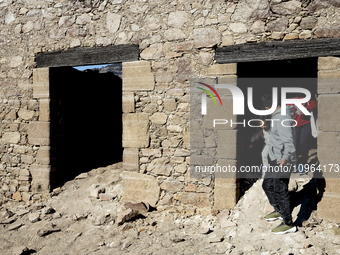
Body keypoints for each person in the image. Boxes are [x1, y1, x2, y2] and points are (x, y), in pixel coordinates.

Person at [261, 94, 297, 234]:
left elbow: (289, 142)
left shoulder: (283, 117)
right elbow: (276, 137)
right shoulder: (276, 116)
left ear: (267, 107)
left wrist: (285, 158)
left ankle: (288, 223)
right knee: (267, 185)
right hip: (274, 159)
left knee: (280, 190)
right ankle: (279, 210)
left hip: (282, 161)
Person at [292, 99, 317, 175]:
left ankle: (303, 163)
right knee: (294, 143)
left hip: (306, 123)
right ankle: (294, 161)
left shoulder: (305, 96)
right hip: (294, 124)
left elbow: (314, 103)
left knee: (303, 143)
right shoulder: (290, 97)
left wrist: (308, 108)